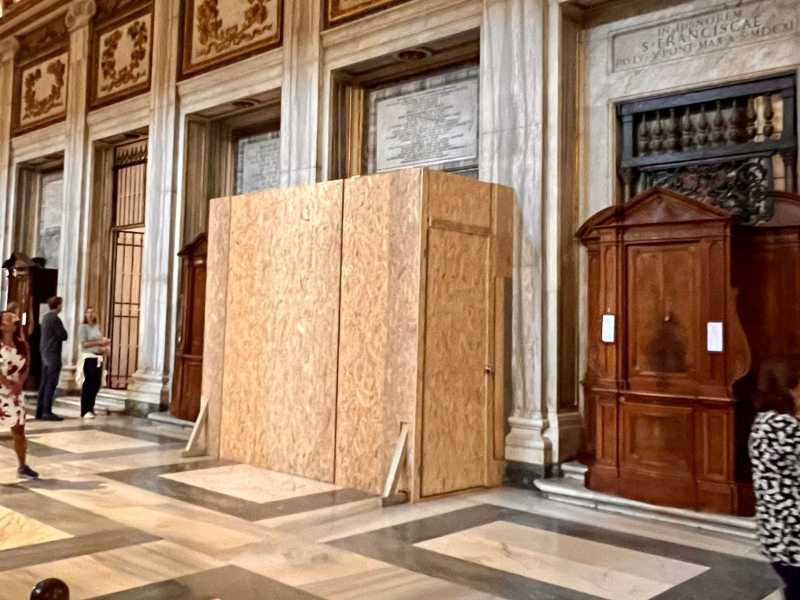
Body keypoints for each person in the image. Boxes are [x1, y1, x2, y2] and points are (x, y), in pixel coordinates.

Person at [749, 355, 800, 599]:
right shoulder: (783, 425)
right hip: (791, 533)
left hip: (776, 530)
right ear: (790, 387)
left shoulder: (763, 420)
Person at [0, 310, 37, 479]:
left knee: (19, 430)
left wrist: (20, 382)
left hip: (15, 393)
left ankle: (22, 465)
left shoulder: (21, 344)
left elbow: (27, 365)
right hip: (2, 389)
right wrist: (6, 383)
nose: (13, 320)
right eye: (8, 318)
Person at [37, 296, 67, 422]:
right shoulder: (55, 318)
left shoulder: (45, 317)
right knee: (51, 383)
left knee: (44, 383)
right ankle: (46, 411)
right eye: (61, 304)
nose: (62, 306)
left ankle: (40, 411)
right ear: (58, 305)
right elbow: (63, 335)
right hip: (53, 354)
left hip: (45, 354)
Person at [77, 307, 109, 419]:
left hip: (98, 357)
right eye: (88, 312)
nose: (90, 314)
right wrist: (99, 342)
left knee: (96, 383)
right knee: (89, 383)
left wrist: (104, 346)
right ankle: (85, 410)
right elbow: (84, 344)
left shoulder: (96, 326)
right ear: (85, 314)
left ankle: (91, 408)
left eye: (92, 312)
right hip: (88, 357)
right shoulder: (83, 327)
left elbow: (100, 341)